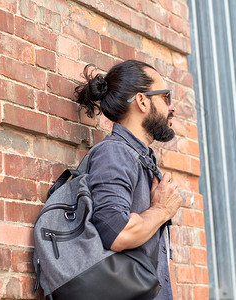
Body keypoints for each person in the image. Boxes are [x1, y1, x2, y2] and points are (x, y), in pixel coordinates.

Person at [74, 60, 182, 299]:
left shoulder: (138, 158)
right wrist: (162, 209)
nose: (171, 108)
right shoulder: (116, 153)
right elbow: (117, 232)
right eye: (166, 97)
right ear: (142, 101)